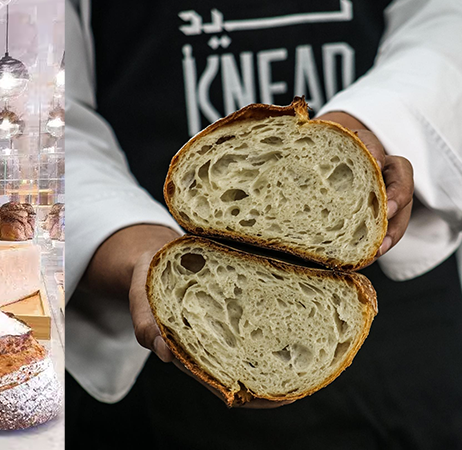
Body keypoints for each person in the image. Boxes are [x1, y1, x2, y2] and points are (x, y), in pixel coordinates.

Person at [66, 0, 462, 447]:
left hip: (403, 348)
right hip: (157, 366)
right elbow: (42, 112)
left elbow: (449, 19)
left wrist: (352, 138)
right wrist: (141, 250)